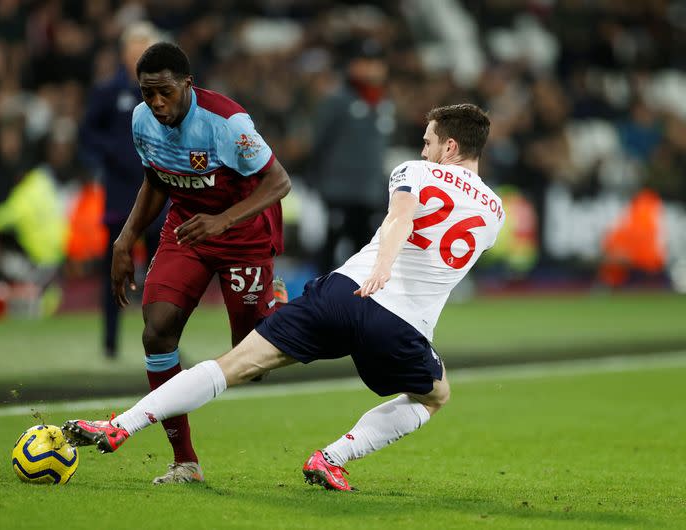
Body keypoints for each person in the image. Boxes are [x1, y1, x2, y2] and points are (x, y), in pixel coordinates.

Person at [63, 103, 505, 491]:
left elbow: (400, 218)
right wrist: (389, 270)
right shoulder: (495, 211)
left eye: (428, 142)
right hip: (399, 325)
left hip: (343, 293)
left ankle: (120, 424)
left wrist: (383, 265)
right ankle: (332, 458)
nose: (422, 149)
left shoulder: (414, 170)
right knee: (435, 396)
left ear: (449, 147)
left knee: (230, 364)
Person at [102, 42, 291, 485]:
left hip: (243, 235)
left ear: (188, 83)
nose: (156, 102)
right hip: (188, 228)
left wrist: (223, 221)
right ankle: (185, 461)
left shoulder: (228, 124)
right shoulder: (142, 120)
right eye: (147, 93)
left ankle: (275, 303)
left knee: (254, 363)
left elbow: (279, 182)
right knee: (157, 330)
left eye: (164, 91)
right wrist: (126, 238)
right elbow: (155, 180)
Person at [79, 22, 168, 360]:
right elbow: (87, 133)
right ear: (124, 51)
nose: (139, 52)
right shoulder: (108, 90)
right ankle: (110, 342)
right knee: (115, 269)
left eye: (146, 45)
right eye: (135, 45)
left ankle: (162, 339)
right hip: (120, 195)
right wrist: (114, 152)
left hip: (159, 194)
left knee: (163, 272)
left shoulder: (164, 90)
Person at [309, 38, 394, 271]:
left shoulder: (384, 102)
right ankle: (320, 302)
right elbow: (318, 144)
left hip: (369, 193)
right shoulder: (337, 100)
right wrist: (316, 184)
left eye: (376, 62)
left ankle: (357, 303)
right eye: (365, 62)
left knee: (365, 252)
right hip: (337, 192)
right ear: (352, 65)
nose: (372, 68)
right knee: (330, 249)